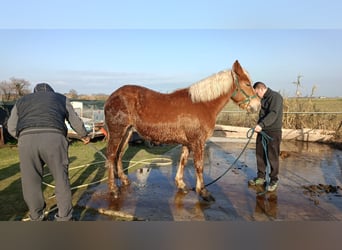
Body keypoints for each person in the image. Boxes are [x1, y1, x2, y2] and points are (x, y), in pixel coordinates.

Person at [7, 83, 91, 221]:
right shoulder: (60, 98)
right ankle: (64, 218)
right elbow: (74, 119)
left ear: (34, 92)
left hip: (26, 140)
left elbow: (11, 126)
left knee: (30, 182)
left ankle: (36, 217)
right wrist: (84, 135)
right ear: (52, 92)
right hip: (54, 139)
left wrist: (22, 137)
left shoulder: (21, 101)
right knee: (60, 179)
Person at [248, 82, 283, 192]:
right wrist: (259, 126)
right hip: (262, 131)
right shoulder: (264, 99)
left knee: (272, 156)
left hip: (273, 132)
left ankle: (273, 179)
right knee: (260, 154)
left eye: (256, 93)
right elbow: (263, 115)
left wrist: (261, 125)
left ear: (261, 89)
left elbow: (273, 114)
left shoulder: (276, 97)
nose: (256, 95)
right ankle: (261, 177)